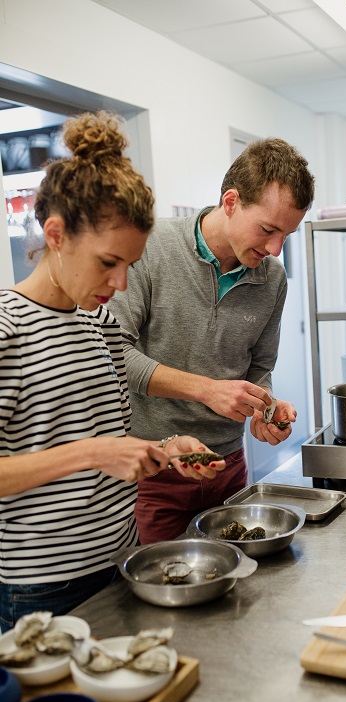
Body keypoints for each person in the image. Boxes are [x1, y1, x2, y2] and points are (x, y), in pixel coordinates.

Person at [0, 111, 224, 631]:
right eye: (107, 263)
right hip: (39, 588)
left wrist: (166, 453)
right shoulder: (7, 327)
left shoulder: (100, 322)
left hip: (124, 562)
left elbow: (105, 442)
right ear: (56, 235)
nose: (121, 284)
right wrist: (93, 454)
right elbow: (89, 450)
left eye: (131, 265)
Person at [109, 138, 315, 545]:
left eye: (286, 235)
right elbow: (114, 355)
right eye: (268, 229)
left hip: (228, 469)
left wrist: (265, 406)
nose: (275, 249)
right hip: (154, 471)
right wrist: (207, 390)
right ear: (232, 201)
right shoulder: (150, 249)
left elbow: (259, 367)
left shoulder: (272, 277)